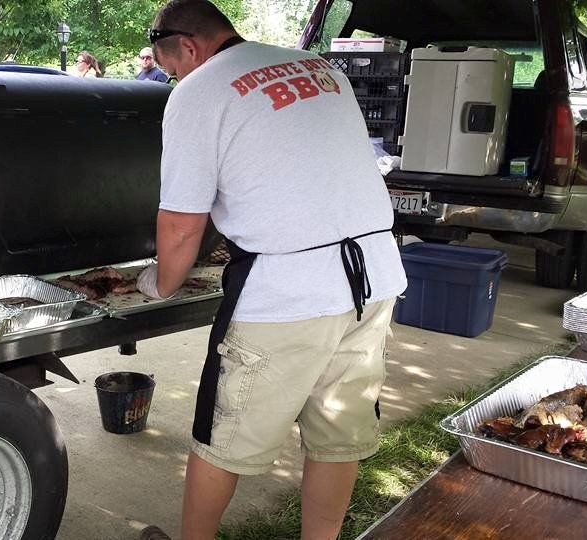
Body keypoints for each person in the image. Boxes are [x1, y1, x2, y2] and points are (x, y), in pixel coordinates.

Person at [134, 1, 407, 539]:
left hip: (285, 295)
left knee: (225, 439)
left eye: (171, 69)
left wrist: (159, 284)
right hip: (372, 280)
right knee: (338, 434)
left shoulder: (199, 89)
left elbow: (182, 224)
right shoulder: (320, 66)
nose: (174, 79)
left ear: (187, 47)